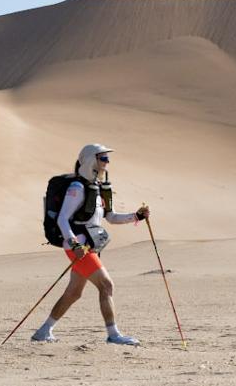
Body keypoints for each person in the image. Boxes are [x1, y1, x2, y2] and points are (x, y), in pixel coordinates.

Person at [32, 143, 152, 344]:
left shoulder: (98, 189)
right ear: (90, 160)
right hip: (78, 247)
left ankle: (44, 331)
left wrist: (137, 216)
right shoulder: (77, 188)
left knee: (74, 293)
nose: (107, 162)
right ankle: (113, 335)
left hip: (89, 246)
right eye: (103, 158)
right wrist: (74, 244)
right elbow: (63, 219)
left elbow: (111, 217)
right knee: (106, 285)